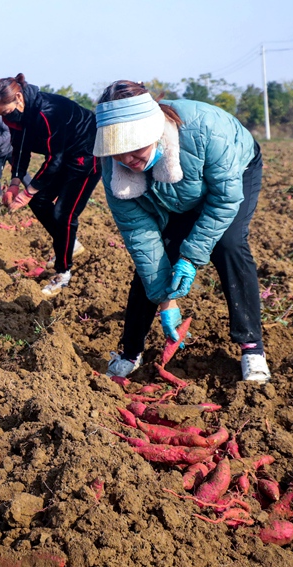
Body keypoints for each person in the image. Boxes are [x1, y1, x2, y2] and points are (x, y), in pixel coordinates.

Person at [93, 80, 271, 383]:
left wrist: (190, 258)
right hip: (178, 190)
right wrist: (167, 301)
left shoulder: (208, 131)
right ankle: (130, 350)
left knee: (228, 244)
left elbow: (225, 199)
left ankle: (252, 345)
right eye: (118, 151)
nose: (127, 160)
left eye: (134, 147)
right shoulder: (115, 169)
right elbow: (140, 235)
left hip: (233, 175)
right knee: (157, 254)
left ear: (153, 129)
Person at [0, 73, 100, 296]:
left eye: (6, 112)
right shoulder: (16, 115)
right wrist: (15, 182)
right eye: (1, 115)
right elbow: (19, 147)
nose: (6, 118)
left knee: (63, 215)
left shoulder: (47, 112)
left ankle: (63, 272)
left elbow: (53, 160)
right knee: (40, 200)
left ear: (18, 97)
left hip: (85, 154)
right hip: (63, 155)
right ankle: (71, 245)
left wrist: (27, 192)